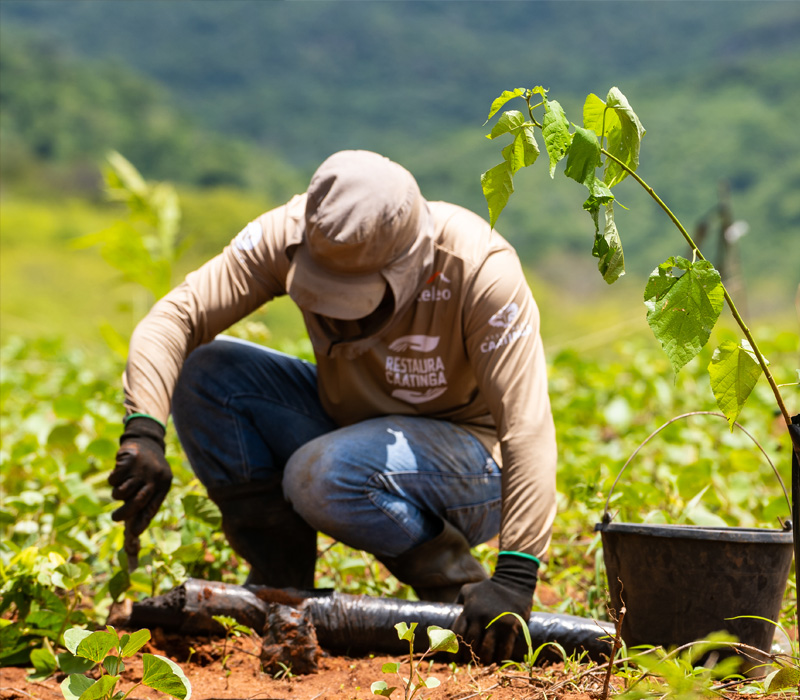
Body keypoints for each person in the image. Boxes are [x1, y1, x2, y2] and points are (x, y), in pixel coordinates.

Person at [107, 150, 557, 663]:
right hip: (353, 428)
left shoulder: (478, 270)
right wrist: (143, 429)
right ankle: (280, 581)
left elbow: (527, 429)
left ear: (410, 266)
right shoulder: (290, 233)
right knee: (207, 374)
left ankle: (451, 584)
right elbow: (176, 318)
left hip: (472, 464)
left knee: (321, 474)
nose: (339, 321)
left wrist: (517, 574)